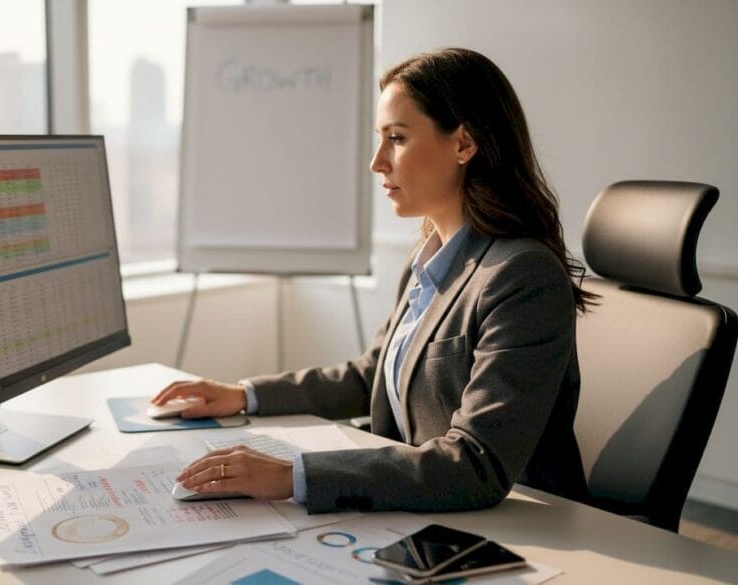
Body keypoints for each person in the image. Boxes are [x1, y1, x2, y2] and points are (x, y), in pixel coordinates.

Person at [152, 48, 595, 513]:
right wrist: (244, 394)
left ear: (464, 144)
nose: (377, 162)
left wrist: (292, 476)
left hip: (524, 527)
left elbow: (476, 464)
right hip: (422, 506)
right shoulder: (428, 257)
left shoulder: (522, 276)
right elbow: (373, 376)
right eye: (378, 139)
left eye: (397, 139)